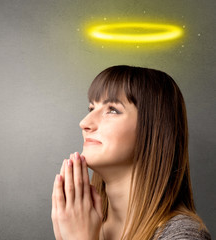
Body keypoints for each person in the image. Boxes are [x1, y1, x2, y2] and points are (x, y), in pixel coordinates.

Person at [51, 65, 211, 240]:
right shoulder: (79, 224)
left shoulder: (182, 235)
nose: (84, 123)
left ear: (154, 128)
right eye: (91, 108)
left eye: (112, 110)